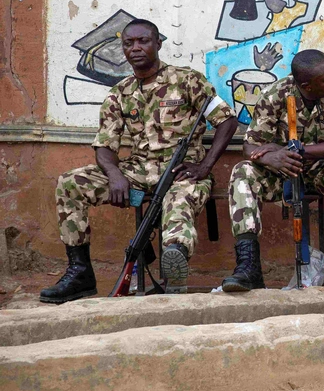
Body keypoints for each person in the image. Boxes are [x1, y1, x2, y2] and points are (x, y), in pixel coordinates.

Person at [40, 19, 237, 303]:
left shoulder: (187, 80)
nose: (136, 48)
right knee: (70, 183)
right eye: (128, 43)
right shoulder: (118, 94)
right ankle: (80, 272)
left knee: (179, 200)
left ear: (158, 44)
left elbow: (227, 121)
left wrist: (205, 165)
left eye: (143, 41)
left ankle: (175, 263)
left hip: (183, 171)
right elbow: (105, 145)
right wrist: (114, 173)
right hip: (137, 171)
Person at [222, 49, 324, 292]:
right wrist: (272, 157)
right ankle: (248, 267)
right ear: (306, 85)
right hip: (282, 174)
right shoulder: (275, 95)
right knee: (242, 172)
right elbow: (250, 147)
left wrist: (299, 150)